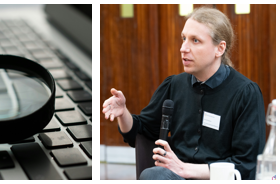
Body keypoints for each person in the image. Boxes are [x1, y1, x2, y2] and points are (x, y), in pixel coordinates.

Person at [102, 7, 264, 180]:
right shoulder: (174, 85)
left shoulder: (245, 94)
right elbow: (143, 132)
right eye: (183, 38)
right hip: (176, 177)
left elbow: (246, 165)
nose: (183, 48)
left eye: (195, 40)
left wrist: (185, 169)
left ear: (220, 48)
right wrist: (123, 113)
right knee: (154, 175)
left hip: (218, 180)